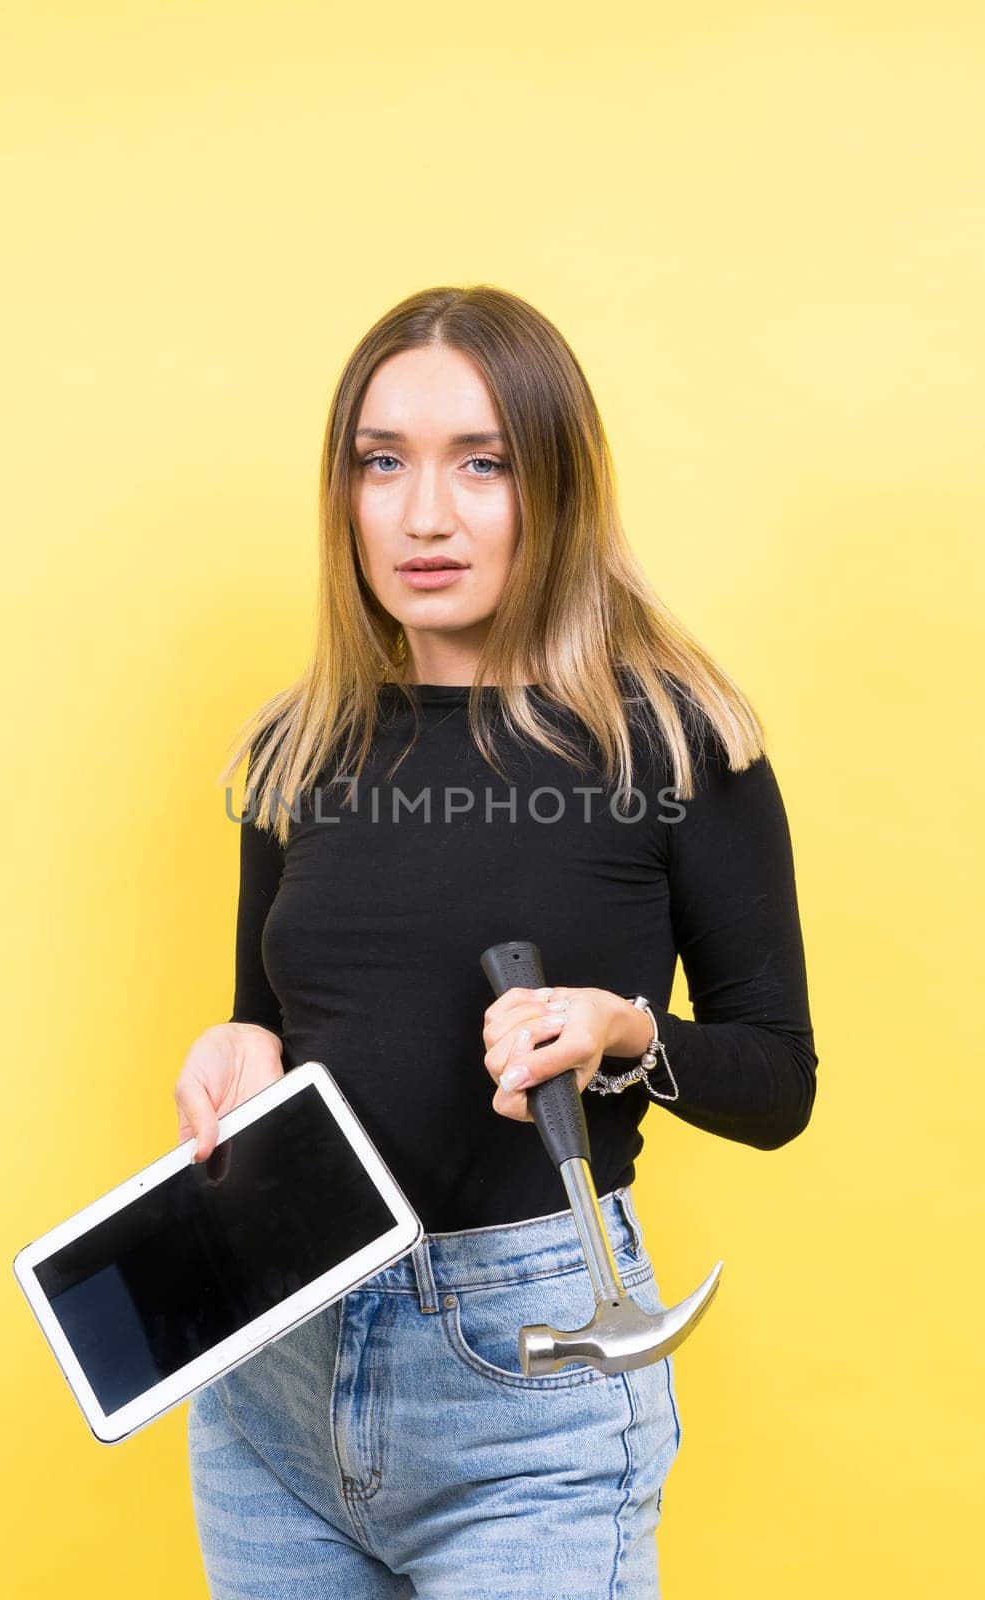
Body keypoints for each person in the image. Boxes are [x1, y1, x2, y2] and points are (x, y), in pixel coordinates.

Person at [176, 284, 818, 1599]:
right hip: (273, 1379)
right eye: (382, 463)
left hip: (528, 1387)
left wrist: (623, 1038)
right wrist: (237, 1044)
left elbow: (777, 1082)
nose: (423, 515)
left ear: (558, 486)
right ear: (342, 494)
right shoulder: (292, 753)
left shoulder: (676, 744)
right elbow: (272, 1018)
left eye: (483, 463)